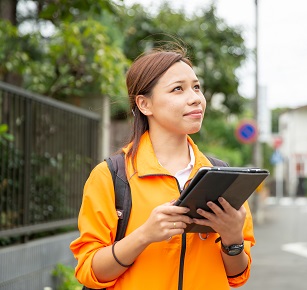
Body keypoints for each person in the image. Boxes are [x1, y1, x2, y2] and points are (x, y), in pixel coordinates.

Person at [70, 46, 255, 290]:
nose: (195, 98)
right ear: (145, 104)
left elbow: (237, 275)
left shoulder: (221, 174)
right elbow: (89, 270)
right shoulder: (112, 176)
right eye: (178, 89)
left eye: (196, 87)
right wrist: (144, 235)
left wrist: (233, 239)